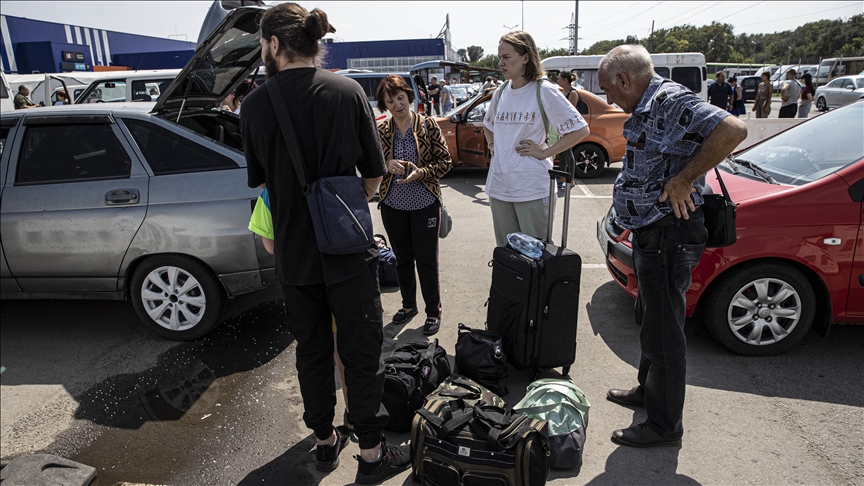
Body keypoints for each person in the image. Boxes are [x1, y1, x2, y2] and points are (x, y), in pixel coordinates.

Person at [240, 4, 409, 483]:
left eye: (260, 44)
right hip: (349, 249)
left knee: (311, 349)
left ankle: (324, 442)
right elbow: (374, 175)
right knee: (360, 349)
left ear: (274, 44)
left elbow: (262, 183)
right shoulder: (347, 91)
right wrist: (353, 200)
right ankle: (373, 453)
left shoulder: (253, 105)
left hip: (294, 253)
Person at [598, 45, 746, 448]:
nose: (609, 99)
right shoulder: (650, 102)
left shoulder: (669, 99)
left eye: (609, 90)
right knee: (652, 319)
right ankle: (649, 391)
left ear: (626, 80)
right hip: (652, 231)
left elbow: (733, 129)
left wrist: (684, 179)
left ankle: (664, 425)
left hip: (669, 233)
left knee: (664, 330)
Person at [248, 187, 353, 432]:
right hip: (338, 275)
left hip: (299, 281)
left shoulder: (271, 192)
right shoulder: (333, 177)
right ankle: (355, 415)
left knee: (313, 356)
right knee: (346, 353)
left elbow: (271, 246)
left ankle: (324, 438)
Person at [482, 30, 589, 247]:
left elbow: (580, 130)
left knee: (535, 256)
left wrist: (544, 153)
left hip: (531, 187)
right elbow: (488, 125)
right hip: (499, 187)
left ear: (525, 57)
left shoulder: (544, 90)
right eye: (499, 57)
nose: (501, 63)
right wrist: (494, 146)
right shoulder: (501, 92)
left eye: (507, 57)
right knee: (507, 257)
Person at [375, 74, 452, 335]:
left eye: (400, 97)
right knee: (402, 260)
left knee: (426, 261)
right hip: (393, 205)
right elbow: (370, 164)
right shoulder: (382, 130)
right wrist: (386, 165)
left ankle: (433, 311)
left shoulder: (428, 125)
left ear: (409, 96)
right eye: (390, 100)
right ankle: (409, 306)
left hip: (425, 204)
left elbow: (445, 162)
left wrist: (420, 173)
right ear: (384, 105)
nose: (397, 104)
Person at [556, 71, 581, 187]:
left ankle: (570, 178)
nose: (558, 81)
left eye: (559, 78)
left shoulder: (573, 93)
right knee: (562, 152)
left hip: (570, 126)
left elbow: (571, 111)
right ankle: (562, 177)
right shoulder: (563, 92)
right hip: (562, 126)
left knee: (568, 152)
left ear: (565, 80)